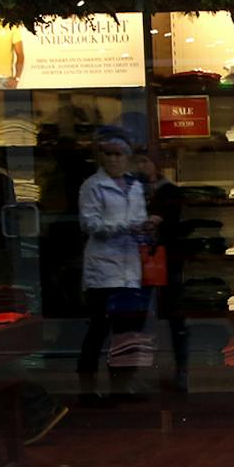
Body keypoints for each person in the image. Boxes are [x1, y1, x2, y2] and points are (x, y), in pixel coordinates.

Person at [77, 128, 154, 403]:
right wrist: (129, 226)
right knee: (98, 332)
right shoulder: (92, 186)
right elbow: (90, 225)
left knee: (127, 334)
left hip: (130, 269)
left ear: (127, 157)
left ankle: (122, 387)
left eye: (118, 154)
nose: (113, 159)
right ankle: (87, 391)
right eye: (107, 154)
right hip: (104, 271)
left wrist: (145, 228)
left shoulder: (134, 186)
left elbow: (139, 220)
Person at [133, 150, 190, 391]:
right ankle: (140, 373)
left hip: (167, 261)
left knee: (175, 318)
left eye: (145, 161)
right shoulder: (132, 190)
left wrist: (160, 220)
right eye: (137, 162)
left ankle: (180, 372)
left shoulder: (170, 192)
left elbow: (177, 224)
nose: (141, 167)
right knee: (139, 320)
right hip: (136, 262)